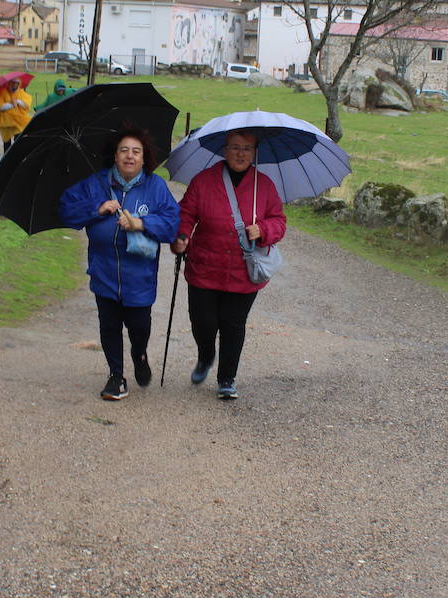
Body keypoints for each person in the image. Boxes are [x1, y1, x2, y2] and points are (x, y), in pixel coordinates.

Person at [59, 126, 180, 401]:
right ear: (114, 156)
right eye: (124, 150)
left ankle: (139, 354)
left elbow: (172, 224)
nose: (129, 156)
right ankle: (116, 376)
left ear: (143, 157)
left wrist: (140, 223)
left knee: (139, 327)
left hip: (139, 278)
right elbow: (66, 210)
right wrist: (97, 208)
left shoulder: (155, 186)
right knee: (109, 326)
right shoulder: (96, 184)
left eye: (136, 151)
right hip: (104, 273)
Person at [170, 130, 285, 400]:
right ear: (224, 150)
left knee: (233, 324)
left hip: (243, 272)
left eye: (247, 148)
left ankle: (226, 378)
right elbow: (185, 212)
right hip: (204, 268)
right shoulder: (203, 181)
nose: (241, 153)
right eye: (235, 147)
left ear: (255, 152)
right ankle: (206, 356)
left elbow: (279, 222)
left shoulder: (264, 186)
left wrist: (264, 229)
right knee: (203, 322)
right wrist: (182, 236)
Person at [0, 76, 33, 152]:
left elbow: (26, 106)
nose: (15, 85)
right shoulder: (1, 93)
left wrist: (18, 101)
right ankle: (6, 158)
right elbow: (0, 107)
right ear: (9, 83)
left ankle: (17, 156)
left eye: (17, 83)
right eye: (13, 83)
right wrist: (12, 104)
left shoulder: (21, 93)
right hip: (5, 121)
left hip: (19, 121)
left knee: (18, 139)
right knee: (6, 142)